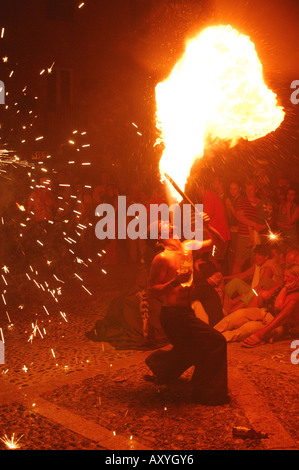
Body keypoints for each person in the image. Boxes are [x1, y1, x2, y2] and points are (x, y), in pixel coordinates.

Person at [145, 221, 229, 406]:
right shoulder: (162, 258)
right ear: (159, 236)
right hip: (173, 316)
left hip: (186, 311)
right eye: (162, 223)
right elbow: (151, 291)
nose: (167, 222)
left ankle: (160, 366)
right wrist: (174, 282)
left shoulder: (187, 247)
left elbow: (219, 243)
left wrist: (208, 225)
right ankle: (208, 393)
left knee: (191, 348)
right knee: (216, 341)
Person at [240, 264, 299, 347]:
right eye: (284, 276)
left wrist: (285, 289)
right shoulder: (281, 286)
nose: (285, 279)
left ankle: (262, 333)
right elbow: (263, 301)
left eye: (288, 276)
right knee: (239, 315)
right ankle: (216, 333)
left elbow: (278, 307)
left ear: (297, 277)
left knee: (248, 328)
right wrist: (263, 294)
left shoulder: (296, 295)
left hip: (282, 326)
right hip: (267, 314)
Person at [223, 244, 283, 314]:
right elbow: (243, 275)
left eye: (259, 255)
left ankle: (231, 311)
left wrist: (238, 299)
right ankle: (222, 304)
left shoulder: (268, 267)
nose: (256, 257)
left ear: (266, 257)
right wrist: (224, 278)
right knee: (236, 282)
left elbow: (259, 288)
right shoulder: (259, 264)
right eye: (255, 254)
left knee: (253, 292)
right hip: (255, 290)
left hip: (262, 295)